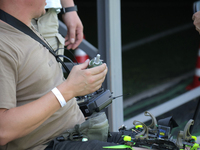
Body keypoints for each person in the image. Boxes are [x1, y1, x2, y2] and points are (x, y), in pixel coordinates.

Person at [0, 0, 138, 150]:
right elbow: (3, 131)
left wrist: (76, 86)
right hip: (51, 144)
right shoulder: (4, 45)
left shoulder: (26, 28)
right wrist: (70, 89)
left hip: (76, 133)